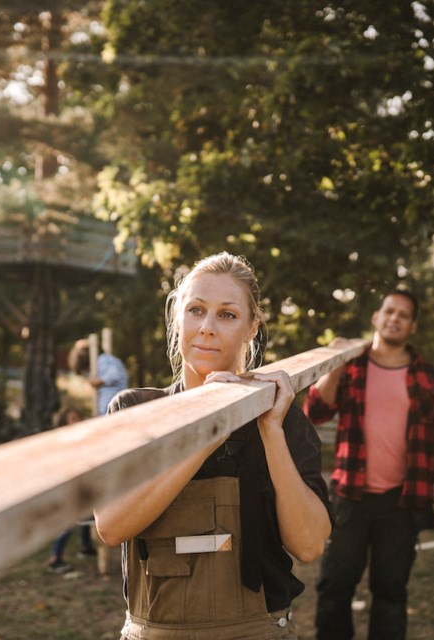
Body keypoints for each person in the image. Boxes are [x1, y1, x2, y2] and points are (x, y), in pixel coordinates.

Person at [93, 252, 332, 639]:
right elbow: (111, 526)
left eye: (227, 315)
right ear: (177, 319)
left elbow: (308, 545)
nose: (206, 327)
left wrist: (270, 431)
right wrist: (207, 437)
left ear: (252, 328)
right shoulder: (135, 411)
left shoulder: (282, 417)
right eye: (196, 310)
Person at [305, 289, 434, 640]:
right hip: (350, 498)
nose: (395, 318)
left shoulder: (429, 377)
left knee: (390, 593)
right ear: (376, 317)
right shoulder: (352, 366)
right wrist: (336, 362)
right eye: (389, 311)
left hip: (402, 502)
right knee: (334, 588)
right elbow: (315, 412)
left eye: (404, 315)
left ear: (413, 327)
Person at [47, 407, 97, 572]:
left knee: (87, 513)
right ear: (64, 424)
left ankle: (85, 546)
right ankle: (55, 558)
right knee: (69, 521)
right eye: (74, 418)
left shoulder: (81, 439)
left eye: (79, 417)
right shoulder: (64, 442)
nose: (79, 421)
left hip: (81, 484)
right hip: (68, 487)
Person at [68, 335, 129, 416]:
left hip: (114, 407)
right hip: (108, 409)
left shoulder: (103, 360)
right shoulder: (99, 362)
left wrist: (99, 381)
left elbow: (116, 374)